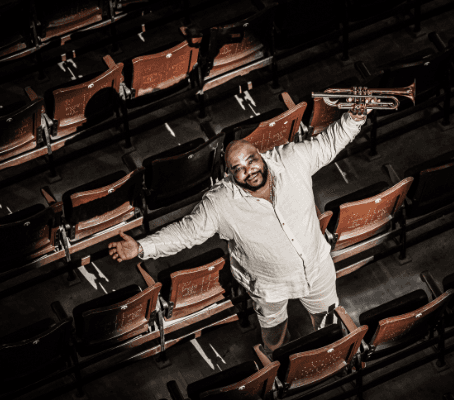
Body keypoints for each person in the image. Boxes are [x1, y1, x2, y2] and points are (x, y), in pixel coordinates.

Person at [108, 103, 370, 354]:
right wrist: (141, 247)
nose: (249, 171)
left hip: (317, 268)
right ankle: (276, 363)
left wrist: (355, 117)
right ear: (230, 174)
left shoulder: (293, 160)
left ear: (261, 154)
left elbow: (328, 144)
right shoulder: (221, 203)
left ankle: (329, 357)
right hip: (267, 286)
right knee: (274, 337)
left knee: (329, 323)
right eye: (239, 169)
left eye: (251, 160)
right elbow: (187, 232)